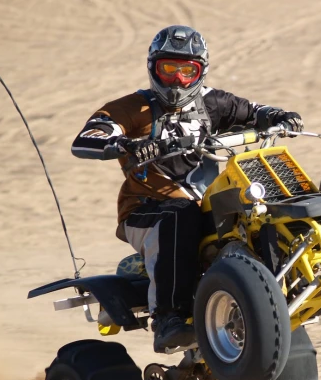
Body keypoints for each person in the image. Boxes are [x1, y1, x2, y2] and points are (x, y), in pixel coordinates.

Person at [71, 25, 303, 353]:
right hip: (147, 209)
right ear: (154, 68)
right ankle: (168, 318)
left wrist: (279, 116)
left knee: (258, 206)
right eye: (169, 69)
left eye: (187, 71)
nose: (177, 81)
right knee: (180, 217)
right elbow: (88, 137)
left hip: (203, 203)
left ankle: (293, 278)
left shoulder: (214, 102)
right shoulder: (133, 107)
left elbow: (255, 111)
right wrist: (124, 144)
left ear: (201, 71)